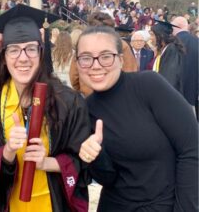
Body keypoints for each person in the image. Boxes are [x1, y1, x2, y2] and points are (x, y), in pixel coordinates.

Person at [0, 4, 92, 211]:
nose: (23, 58)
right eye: (13, 50)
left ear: (41, 53)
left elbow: (83, 162)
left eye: (31, 48)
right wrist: (8, 151)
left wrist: (48, 163)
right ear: (3, 57)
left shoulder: (68, 101)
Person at [76, 26, 198, 211]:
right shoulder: (85, 109)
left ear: (120, 59)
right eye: (86, 58)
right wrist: (95, 157)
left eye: (106, 56)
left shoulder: (148, 86)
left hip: (164, 205)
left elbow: (192, 148)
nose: (96, 64)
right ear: (77, 63)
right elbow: (109, 179)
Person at [69, 12, 137, 96]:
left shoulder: (83, 46)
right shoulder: (121, 45)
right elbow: (131, 73)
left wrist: (85, 89)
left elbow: (74, 77)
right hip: (116, 98)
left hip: (90, 98)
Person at [171, 16, 199, 118]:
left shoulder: (173, 42)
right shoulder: (196, 41)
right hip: (194, 91)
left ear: (176, 27)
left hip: (177, 92)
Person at [151, 20, 185, 94]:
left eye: (152, 35)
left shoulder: (172, 50)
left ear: (161, 35)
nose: (151, 38)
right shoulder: (165, 49)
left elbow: (169, 78)